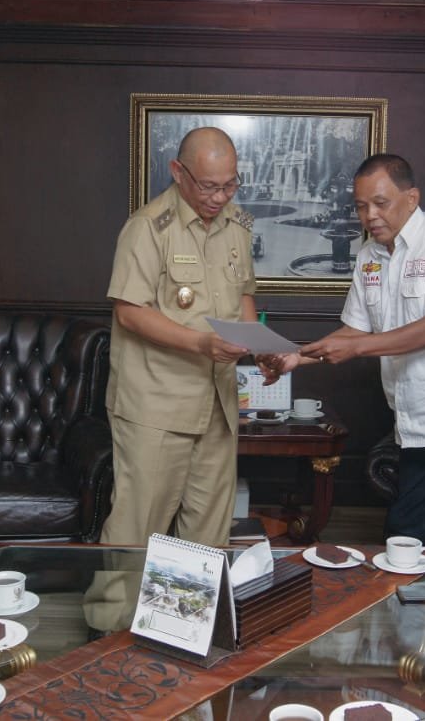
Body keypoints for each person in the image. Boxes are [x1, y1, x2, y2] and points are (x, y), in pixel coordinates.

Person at [263, 154, 425, 593]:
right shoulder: (370, 256)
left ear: (411, 198)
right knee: (409, 540)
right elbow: (354, 331)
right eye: (361, 206)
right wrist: (296, 358)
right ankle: (418, 631)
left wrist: (358, 347)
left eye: (380, 203)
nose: (369, 216)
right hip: (415, 428)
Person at [99, 125, 257, 549]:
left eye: (230, 185)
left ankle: (193, 598)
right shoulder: (148, 227)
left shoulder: (237, 225)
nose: (220, 197)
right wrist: (201, 343)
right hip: (157, 403)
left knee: (209, 535)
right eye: (209, 186)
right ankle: (116, 597)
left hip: (218, 403)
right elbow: (130, 312)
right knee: (137, 529)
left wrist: (259, 348)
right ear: (177, 171)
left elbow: (243, 294)